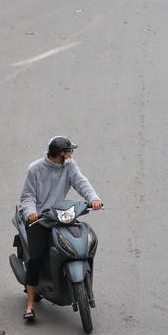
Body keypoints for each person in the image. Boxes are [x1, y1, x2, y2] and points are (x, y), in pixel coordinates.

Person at [18, 137, 103, 323]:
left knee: (81, 241)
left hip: (60, 215)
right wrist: (31, 213)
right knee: (35, 258)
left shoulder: (69, 166)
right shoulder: (35, 169)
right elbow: (27, 196)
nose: (71, 154)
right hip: (40, 220)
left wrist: (94, 199)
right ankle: (30, 304)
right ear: (61, 153)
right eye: (70, 151)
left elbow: (81, 182)